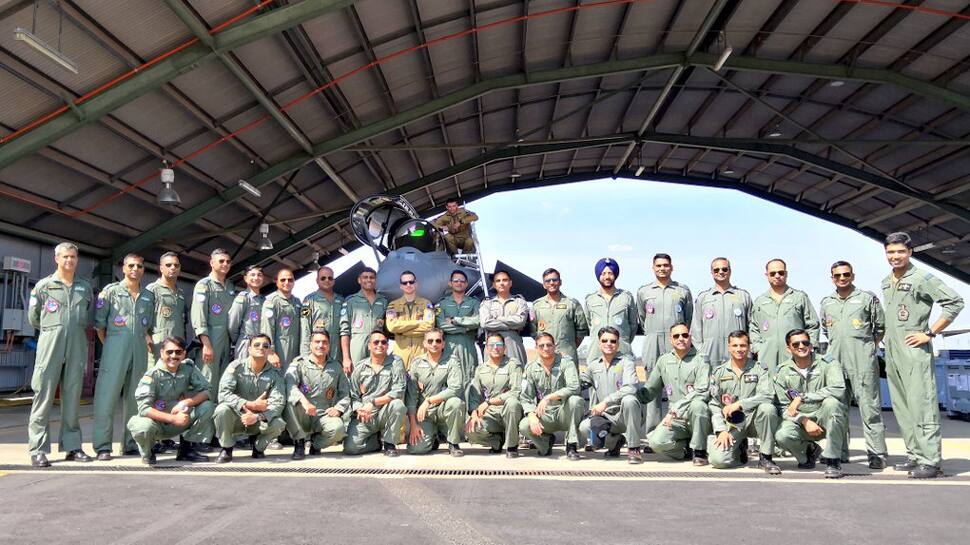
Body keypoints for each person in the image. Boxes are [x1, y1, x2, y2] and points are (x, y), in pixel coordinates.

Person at [882, 232, 964, 479]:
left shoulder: (921, 278)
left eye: (900, 252)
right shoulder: (887, 281)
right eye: (890, 252)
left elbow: (955, 302)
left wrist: (930, 333)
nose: (895, 256)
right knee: (903, 406)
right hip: (893, 351)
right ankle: (915, 456)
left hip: (914, 350)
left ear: (910, 252)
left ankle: (930, 461)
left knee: (922, 404)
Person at [27, 242, 95, 467]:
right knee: (43, 395)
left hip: (76, 345)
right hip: (50, 344)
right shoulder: (44, 287)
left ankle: (73, 446)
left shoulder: (84, 287)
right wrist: (54, 330)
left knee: (73, 396)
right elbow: (34, 318)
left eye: (73, 257)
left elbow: (86, 315)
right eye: (65, 257)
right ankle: (38, 449)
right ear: (56, 258)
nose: (69, 261)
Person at [820, 260, 888, 469]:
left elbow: (880, 327)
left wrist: (868, 348)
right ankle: (839, 452)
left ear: (853, 276)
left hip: (862, 363)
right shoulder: (827, 302)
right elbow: (825, 329)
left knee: (870, 408)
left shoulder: (866, 298)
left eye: (846, 274)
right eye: (837, 275)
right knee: (837, 409)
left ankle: (877, 453)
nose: (842, 278)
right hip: (836, 365)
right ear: (832, 278)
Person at [93, 253, 155, 460]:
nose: (135, 269)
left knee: (135, 400)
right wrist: (113, 346)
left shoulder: (148, 296)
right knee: (106, 398)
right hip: (114, 352)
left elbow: (148, 329)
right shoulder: (110, 292)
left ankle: (130, 443)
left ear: (143, 270)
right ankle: (103, 446)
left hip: (138, 353)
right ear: (123, 268)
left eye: (139, 266)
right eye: (131, 265)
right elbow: (100, 327)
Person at [773, 329, 847, 479]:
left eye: (805, 342)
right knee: (782, 435)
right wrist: (804, 420)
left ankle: (833, 461)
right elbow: (782, 406)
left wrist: (802, 397)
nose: (801, 346)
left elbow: (838, 389)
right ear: (789, 348)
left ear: (811, 345)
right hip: (799, 420)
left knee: (832, 403)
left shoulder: (828, 363)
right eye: (796, 344)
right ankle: (809, 452)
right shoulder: (782, 371)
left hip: (825, 417)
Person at [127, 337, 212, 465]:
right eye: (169, 352)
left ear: (184, 354)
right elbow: (144, 409)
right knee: (143, 426)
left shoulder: (188, 368)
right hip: (157, 425)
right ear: (161, 353)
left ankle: (186, 449)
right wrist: (173, 419)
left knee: (208, 406)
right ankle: (148, 452)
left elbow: (207, 391)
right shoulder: (152, 376)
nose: (174, 356)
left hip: (181, 420)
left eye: (178, 352)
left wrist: (187, 402)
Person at [706, 331, 781, 474]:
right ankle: (740, 452)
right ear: (729, 347)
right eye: (735, 345)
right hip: (733, 424)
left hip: (755, 420)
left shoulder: (760, 369)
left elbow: (767, 395)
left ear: (749, 347)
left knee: (768, 408)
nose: (739, 349)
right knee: (718, 460)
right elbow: (715, 404)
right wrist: (721, 430)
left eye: (743, 345)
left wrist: (740, 405)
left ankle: (766, 457)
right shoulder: (719, 372)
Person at [636, 253, 693, 434]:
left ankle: (678, 430)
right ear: (653, 268)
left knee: (678, 385)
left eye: (666, 265)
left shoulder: (682, 291)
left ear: (672, 267)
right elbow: (642, 318)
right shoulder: (644, 291)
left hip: (676, 342)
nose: (662, 268)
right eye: (658, 265)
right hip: (653, 342)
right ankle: (653, 431)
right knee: (652, 386)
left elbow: (688, 319)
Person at [642, 323, 712, 465]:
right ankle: (685, 450)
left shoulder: (701, 360)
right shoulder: (664, 361)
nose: (681, 339)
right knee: (656, 443)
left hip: (698, 418)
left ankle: (700, 452)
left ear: (690, 338)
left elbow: (702, 391)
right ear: (670, 339)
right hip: (676, 420)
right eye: (676, 336)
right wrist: (633, 397)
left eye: (685, 335)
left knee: (698, 405)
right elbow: (650, 389)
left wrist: (675, 410)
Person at [213, 334, 286, 463]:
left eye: (265, 346)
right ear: (249, 349)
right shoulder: (236, 367)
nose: (261, 348)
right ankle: (227, 448)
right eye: (256, 345)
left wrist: (257, 417)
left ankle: (258, 448)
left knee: (279, 423)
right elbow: (223, 394)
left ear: (269, 350)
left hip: (259, 420)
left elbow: (278, 402)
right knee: (221, 410)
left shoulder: (275, 374)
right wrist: (249, 404)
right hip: (237, 417)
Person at [578, 327, 644, 463]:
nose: (609, 343)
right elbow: (580, 383)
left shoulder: (627, 362)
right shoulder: (594, 365)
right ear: (599, 343)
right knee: (584, 427)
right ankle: (615, 442)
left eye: (613, 341)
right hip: (606, 417)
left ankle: (634, 448)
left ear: (618, 344)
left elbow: (631, 388)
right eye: (605, 340)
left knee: (630, 400)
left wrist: (606, 402)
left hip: (625, 415)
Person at [284, 330, 349, 459]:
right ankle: (299, 442)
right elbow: (289, 385)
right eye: (317, 342)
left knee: (338, 430)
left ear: (329, 346)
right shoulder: (299, 364)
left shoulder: (336, 367)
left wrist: (338, 408)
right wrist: (304, 401)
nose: (321, 345)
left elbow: (345, 393)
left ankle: (316, 444)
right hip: (303, 413)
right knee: (290, 404)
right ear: (310, 345)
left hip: (324, 414)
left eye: (324, 342)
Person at [518, 333, 582, 460]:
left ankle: (571, 445)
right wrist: (531, 415)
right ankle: (545, 443)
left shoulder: (566, 363)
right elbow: (526, 397)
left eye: (549, 345)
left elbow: (575, 387)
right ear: (536, 348)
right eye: (541, 346)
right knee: (524, 425)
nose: (545, 348)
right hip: (545, 415)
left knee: (576, 400)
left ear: (555, 347)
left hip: (564, 412)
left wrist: (549, 397)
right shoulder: (531, 368)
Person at [749, 259, 820, 373]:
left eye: (781, 273)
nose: (777, 276)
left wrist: (808, 348)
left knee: (795, 389)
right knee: (769, 389)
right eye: (773, 273)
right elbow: (754, 328)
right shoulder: (760, 301)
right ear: (767, 275)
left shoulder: (799, 297)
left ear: (786, 274)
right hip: (768, 359)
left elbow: (812, 325)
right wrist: (759, 349)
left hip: (795, 356)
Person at [344, 331, 407, 456]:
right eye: (376, 342)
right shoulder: (360, 367)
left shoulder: (396, 362)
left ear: (387, 346)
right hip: (366, 415)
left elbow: (398, 390)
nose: (380, 345)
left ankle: (389, 443)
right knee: (351, 449)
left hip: (385, 412)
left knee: (397, 405)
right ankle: (376, 442)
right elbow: (353, 395)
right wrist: (359, 409)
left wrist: (373, 403)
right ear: (369, 346)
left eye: (383, 342)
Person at [406, 329, 466, 456]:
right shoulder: (417, 363)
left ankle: (453, 443)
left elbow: (455, 388)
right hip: (425, 414)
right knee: (416, 449)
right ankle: (433, 438)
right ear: (424, 343)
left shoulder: (452, 361)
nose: (434, 344)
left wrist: (429, 400)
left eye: (438, 341)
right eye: (430, 341)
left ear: (443, 344)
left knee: (456, 403)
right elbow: (411, 396)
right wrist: (413, 425)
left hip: (444, 410)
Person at [465, 332, 525, 458]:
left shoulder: (513, 365)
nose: (495, 348)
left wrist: (488, 402)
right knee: (470, 429)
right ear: (486, 348)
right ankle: (496, 440)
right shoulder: (481, 369)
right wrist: (474, 413)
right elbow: (474, 396)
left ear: (504, 347)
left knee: (512, 404)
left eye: (499, 344)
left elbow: (515, 392)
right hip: (491, 414)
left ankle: (512, 446)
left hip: (509, 410)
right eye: (491, 345)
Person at [691, 257, 752, 367]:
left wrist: (749, 351)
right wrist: (702, 351)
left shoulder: (743, 296)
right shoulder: (703, 297)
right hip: (710, 356)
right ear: (712, 272)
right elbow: (696, 329)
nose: (721, 272)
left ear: (730, 271)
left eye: (724, 269)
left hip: (738, 354)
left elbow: (751, 327)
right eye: (716, 270)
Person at [191, 248, 235, 394]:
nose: (225, 264)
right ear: (212, 263)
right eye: (221, 261)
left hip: (226, 340)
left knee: (224, 379)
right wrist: (206, 344)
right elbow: (199, 316)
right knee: (207, 379)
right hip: (211, 339)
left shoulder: (230, 286)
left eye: (228, 262)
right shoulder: (204, 285)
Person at [530, 268, 588, 366]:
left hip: (566, 354)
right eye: (548, 281)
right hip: (544, 354)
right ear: (544, 285)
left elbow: (582, 330)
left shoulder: (572, 304)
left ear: (560, 282)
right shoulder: (536, 305)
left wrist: (569, 346)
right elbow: (533, 330)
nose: (551, 283)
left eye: (554, 280)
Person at [584, 258, 637, 363]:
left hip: (621, 351)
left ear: (615, 275)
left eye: (610, 273)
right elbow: (589, 323)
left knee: (622, 378)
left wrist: (622, 341)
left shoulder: (626, 297)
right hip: (596, 353)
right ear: (598, 275)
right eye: (603, 273)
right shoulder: (590, 299)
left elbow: (633, 325)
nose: (607, 277)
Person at [340, 268, 389, 374]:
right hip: (358, 345)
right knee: (356, 376)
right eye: (365, 277)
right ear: (359, 280)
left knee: (378, 374)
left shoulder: (383, 301)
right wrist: (346, 357)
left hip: (378, 345)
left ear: (375, 280)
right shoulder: (351, 301)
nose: (369, 280)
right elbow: (344, 331)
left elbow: (387, 327)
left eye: (372, 277)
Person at [435, 270, 480, 380]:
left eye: (462, 281)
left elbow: (478, 321)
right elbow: (441, 325)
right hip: (448, 345)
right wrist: (466, 328)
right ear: (450, 283)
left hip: (467, 345)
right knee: (447, 377)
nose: (459, 283)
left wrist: (456, 320)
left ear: (466, 284)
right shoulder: (442, 303)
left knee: (469, 377)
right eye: (455, 280)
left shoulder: (474, 303)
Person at [479, 270, 529, 366]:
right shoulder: (487, 304)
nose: (501, 283)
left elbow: (520, 321)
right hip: (493, 347)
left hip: (513, 345)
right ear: (493, 284)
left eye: (505, 280)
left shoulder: (519, 302)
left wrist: (498, 318)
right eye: (498, 281)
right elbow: (485, 323)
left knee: (516, 375)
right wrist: (510, 326)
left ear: (510, 283)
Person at [386, 270, 435, 369]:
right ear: (401, 286)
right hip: (400, 357)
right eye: (405, 283)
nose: (408, 284)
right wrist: (418, 323)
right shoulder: (393, 305)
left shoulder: (427, 304)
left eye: (411, 282)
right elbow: (392, 327)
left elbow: (429, 326)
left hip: (421, 355)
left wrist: (402, 332)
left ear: (416, 284)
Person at [145, 252, 187, 363]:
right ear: (161, 268)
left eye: (176, 265)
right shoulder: (152, 290)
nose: (173, 267)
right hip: (158, 346)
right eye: (168, 265)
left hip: (177, 346)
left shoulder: (181, 294)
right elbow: (141, 318)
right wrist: (146, 338)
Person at [260, 268, 302, 370]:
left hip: (296, 349)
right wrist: (270, 352)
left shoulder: (297, 302)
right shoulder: (271, 302)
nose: (287, 282)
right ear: (276, 282)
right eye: (283, 280)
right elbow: (267, 329)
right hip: (280, 349)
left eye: (290, 280)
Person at [300, 266, 344, 362]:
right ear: (317, 281)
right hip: (317, 350)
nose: (327, 280)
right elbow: (305, 328)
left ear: (334, 281)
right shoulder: (309, 300)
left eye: (330, 278)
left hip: (337, 352)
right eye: (323, 278)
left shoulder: (341, 300)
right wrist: (305, 355)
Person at [228, 265, 264, 361]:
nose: (256, 278)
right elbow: (232, 325)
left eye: (259, 275)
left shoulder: (263, 300)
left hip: (261, 345)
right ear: (245, 278)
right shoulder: (243, 298)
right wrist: (240, 340)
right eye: (252, 275)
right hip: (246, 344)